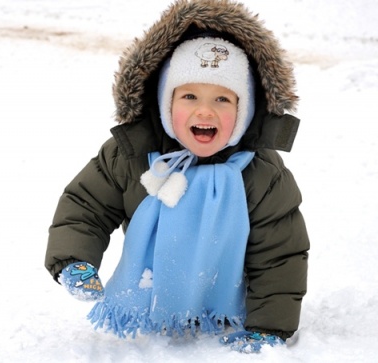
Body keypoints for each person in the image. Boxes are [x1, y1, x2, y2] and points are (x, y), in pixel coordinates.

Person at [45, 0, 309, 353]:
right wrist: (75, 259)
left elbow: (280, 253)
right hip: (148, 302)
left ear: (244, 112)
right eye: (189, 95)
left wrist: (269, 326)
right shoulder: (133, 154)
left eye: (222, 99)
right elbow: (85, 207)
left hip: (226, 312)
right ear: (165, 104)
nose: (205, 110)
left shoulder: (260, 172)